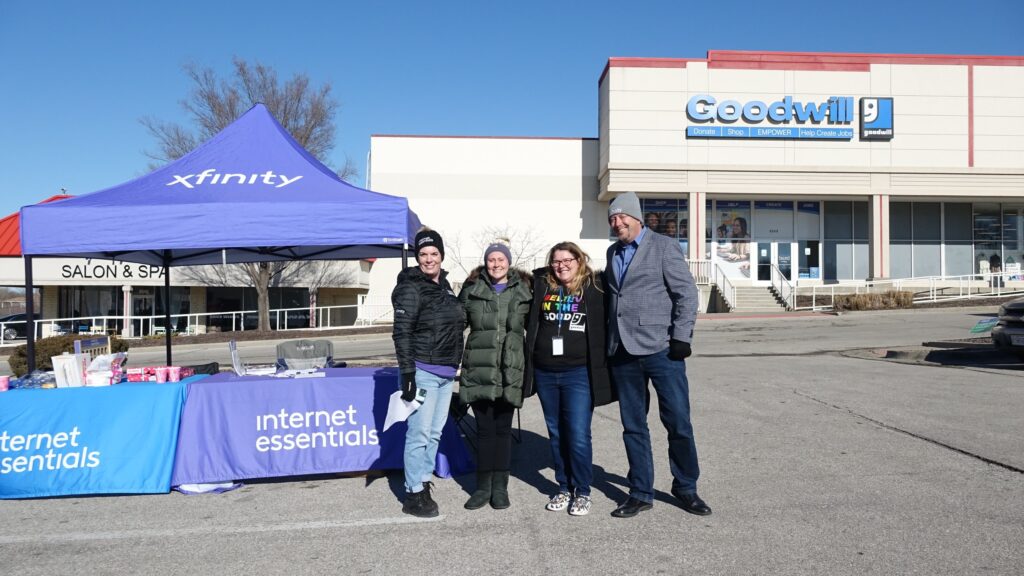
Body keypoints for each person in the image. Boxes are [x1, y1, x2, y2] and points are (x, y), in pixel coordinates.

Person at [604, 191, 710, 518]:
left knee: (678, 421)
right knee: (633, 425)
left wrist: (681, 337)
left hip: (662, 351)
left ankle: (686, 486)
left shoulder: (663, 247)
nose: (617, 223)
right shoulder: (612, 252)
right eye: (612, 218)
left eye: (622, 217)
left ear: (636, 217)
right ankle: (640, 492)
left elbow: (686, 294)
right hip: (622, 352)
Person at [524, 242, 614, 517]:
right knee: (556, 433)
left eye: (567, 260)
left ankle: (583, 490)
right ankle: (563, 486)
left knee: (577, 434)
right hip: (546, 371)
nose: (561, 265)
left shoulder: (596, 286)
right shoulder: (542, 283)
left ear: (580, 259)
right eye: (556, 261)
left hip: (579, 373)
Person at [391, 227, 467, 518]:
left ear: (441, 255)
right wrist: (407, 373)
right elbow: (402, 333)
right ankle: (413, 493)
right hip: (422, 370)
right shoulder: (410, 287)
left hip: (446, 372)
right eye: (423, 254)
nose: (428, 259)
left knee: (434, 433)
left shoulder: (445, 286)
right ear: (416, 257)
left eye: (434, 253)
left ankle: (422, 481)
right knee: (419, 433)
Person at [457, 242, 532, 510]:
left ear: (509, 263)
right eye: (491, 260)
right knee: (485, 431)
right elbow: (455, 325)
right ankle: (482, 487)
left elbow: (536, 329)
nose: (496, 264)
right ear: (485, 263)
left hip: (509, 370)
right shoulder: (471, 290)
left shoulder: (524, 291)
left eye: (501, 259)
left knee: (503, 431)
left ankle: (500, 488)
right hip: (479, 369)